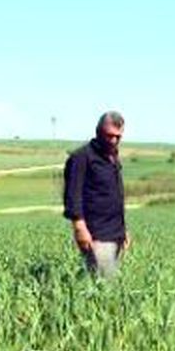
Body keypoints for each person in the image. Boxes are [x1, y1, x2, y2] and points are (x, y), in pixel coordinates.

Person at [63, 111, 131, 277]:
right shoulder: (82, 157)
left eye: (118, 137)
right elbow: (73, 194)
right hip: (96, 233)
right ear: (98, 131)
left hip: (115, 231)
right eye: (109, 136)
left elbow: (114, 196)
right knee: (103, 283)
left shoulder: (112, 158)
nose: (113, 140)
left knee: (107, 281)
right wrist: (79, 227)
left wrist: (123, 231)